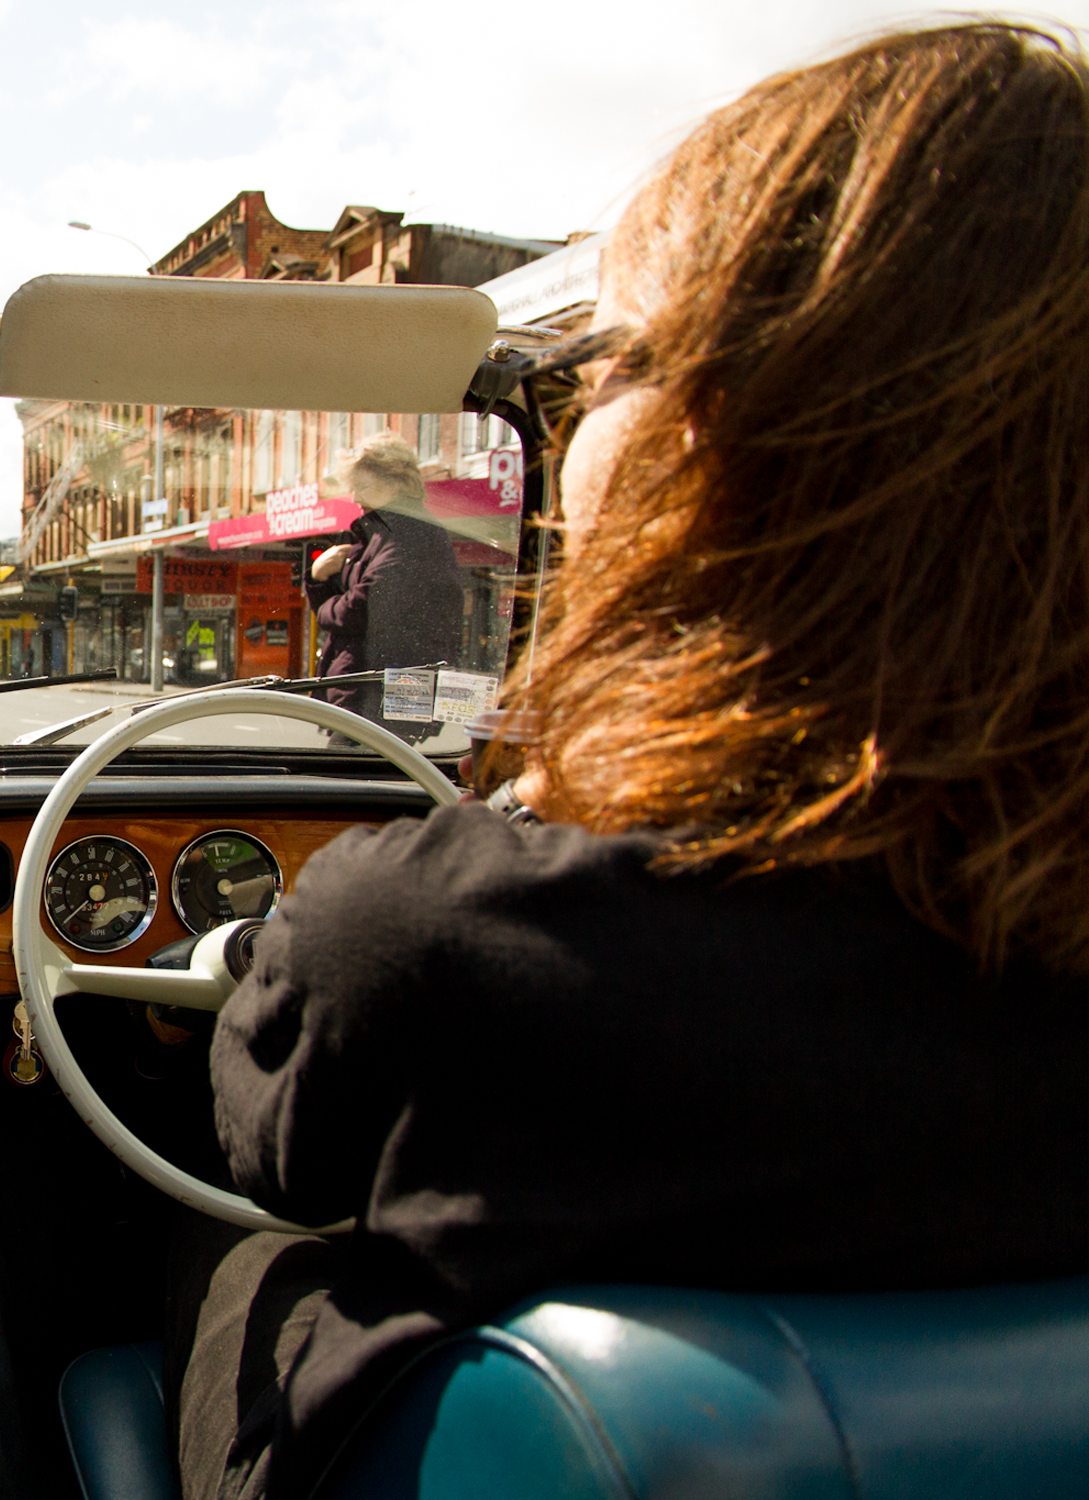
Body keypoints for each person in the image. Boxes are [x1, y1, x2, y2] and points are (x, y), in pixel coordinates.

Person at [174, 23, 1089, 1500]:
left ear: (712, 436)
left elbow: (274, 1150)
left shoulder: (445, 939)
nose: (574, 427)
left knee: (251, 1273)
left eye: (601, 370)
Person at [302, 434, 464, 743]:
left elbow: (363, 609)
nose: (354, 497)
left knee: (346, 775)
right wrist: (319, 579)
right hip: (375, 688)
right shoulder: (382, 534)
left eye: (362, 486)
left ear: (394, 483)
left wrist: (321, 585)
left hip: (383, 691)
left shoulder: (410, 536)